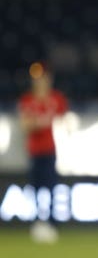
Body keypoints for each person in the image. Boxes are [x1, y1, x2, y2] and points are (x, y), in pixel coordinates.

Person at [17, 61, 69, 243]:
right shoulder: (27, 100)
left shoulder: (56, 99)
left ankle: (53, 223)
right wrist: (38, 123)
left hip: (51, 150)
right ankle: (38, 221)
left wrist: (38, 122)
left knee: (52, 187)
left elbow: (66, 123)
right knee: (36, 188)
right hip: (34, 151)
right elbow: (24, 125)